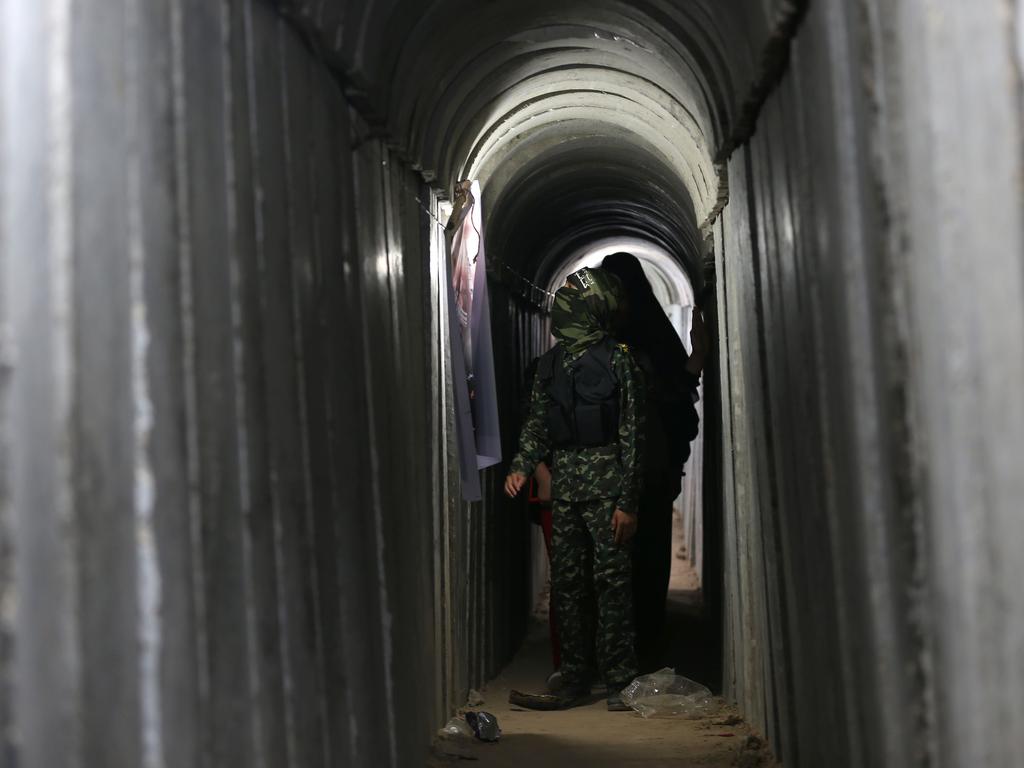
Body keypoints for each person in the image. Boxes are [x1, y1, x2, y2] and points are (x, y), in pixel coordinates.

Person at [505, 266, 643, 711]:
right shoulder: (552, 364)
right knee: (568, 588)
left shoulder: (619, 359)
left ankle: (621, 681)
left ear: (589, 305)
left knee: (612, 587)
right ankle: (574, 677)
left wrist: (628, 503)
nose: (560, 300)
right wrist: (522, 466)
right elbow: (538, 425)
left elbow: (633, 438)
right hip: (565, 491)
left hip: (607, 493)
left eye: (570, 292)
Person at [601, 252, 707, 664]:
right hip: (656, 471)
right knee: (650, 559)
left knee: (611, 566)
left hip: (607, 475)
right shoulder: (658, 336)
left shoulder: (601, 337)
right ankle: (647, 647)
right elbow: (680, 403)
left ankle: (613, 654)